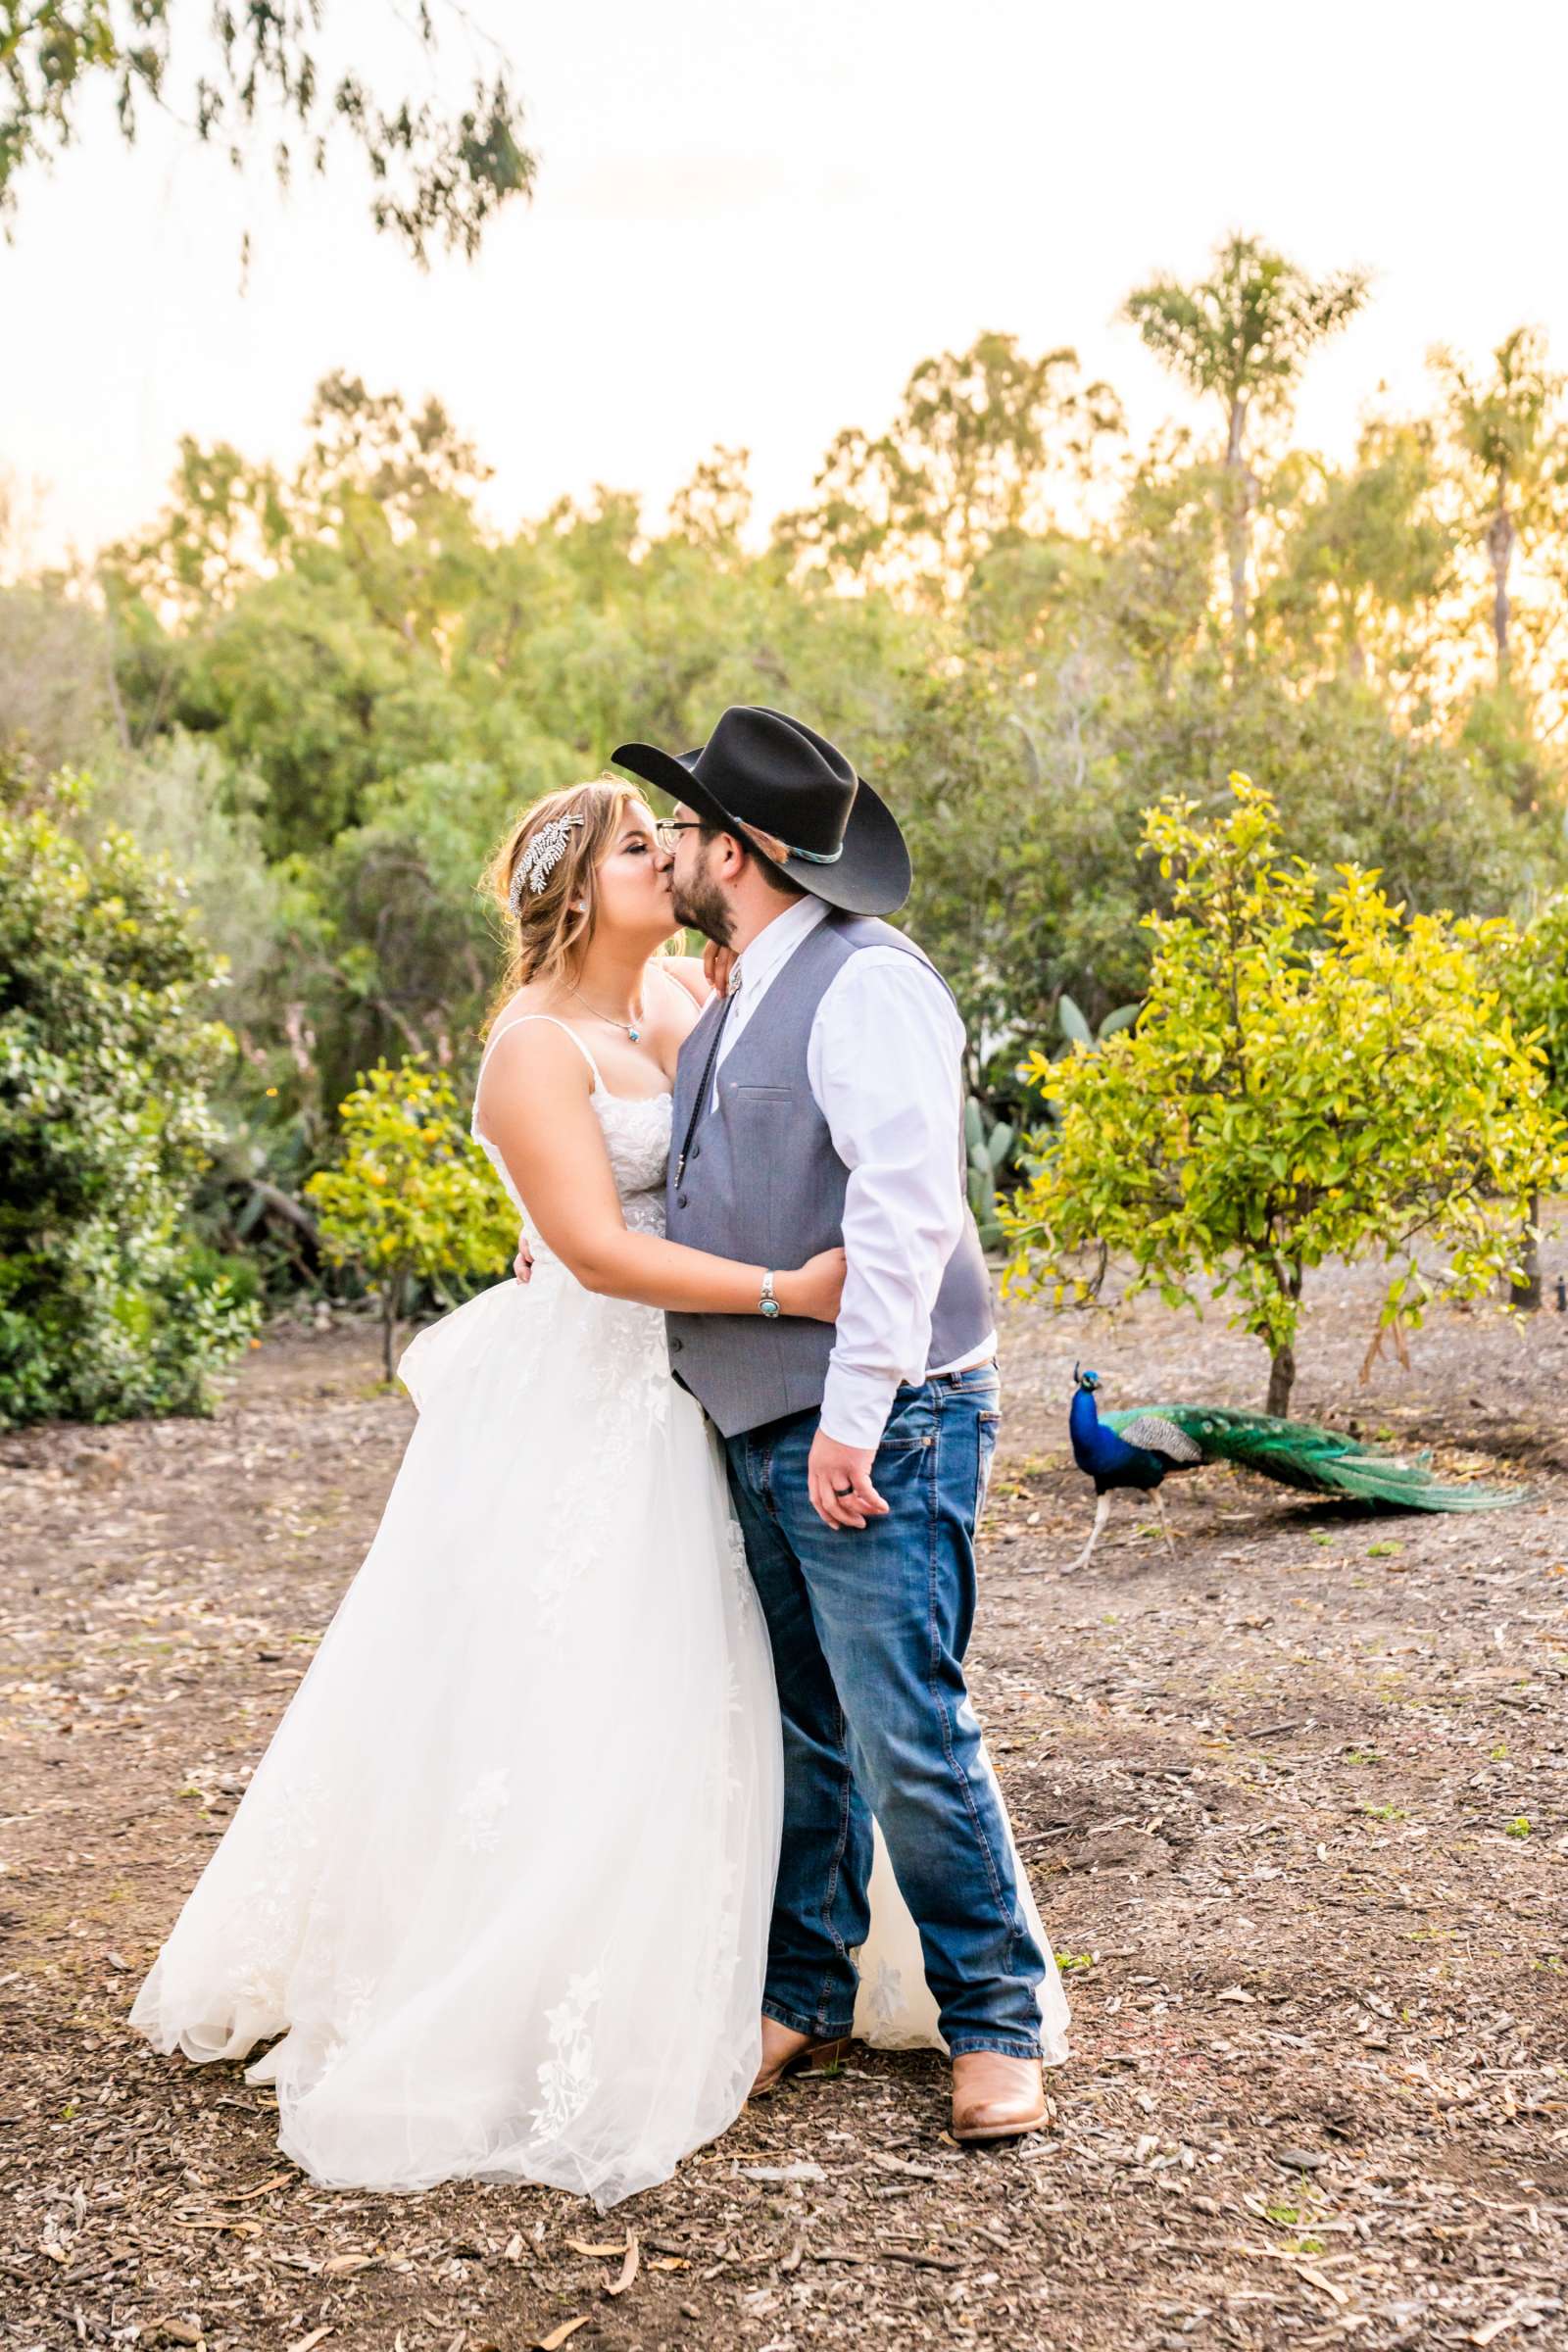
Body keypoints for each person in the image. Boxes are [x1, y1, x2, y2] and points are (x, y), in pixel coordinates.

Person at [130, 779, 852, 2207]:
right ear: (580, 891)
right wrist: (787, 1293)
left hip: (699, 1382)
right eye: (647, 847)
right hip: (592, 1389)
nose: (680, 860)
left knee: (740, 1673)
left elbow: (732, 1161)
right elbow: (591, 1247)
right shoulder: (530, 1050)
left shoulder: (672, 1011)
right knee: (580, 1679)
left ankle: (775, 1953)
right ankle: (537, 1971)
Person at [611, 705, 1069, 2142]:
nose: (670, 848)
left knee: (904, 1730)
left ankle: (996, 2024)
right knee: (810, 1724)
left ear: (736, 851)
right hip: (760, 1410)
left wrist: (856, 1420)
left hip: (883, 1415)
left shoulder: (869, 984)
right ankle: (802, 1991)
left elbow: (904, 1214)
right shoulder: (745, 979)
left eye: (684, 829)